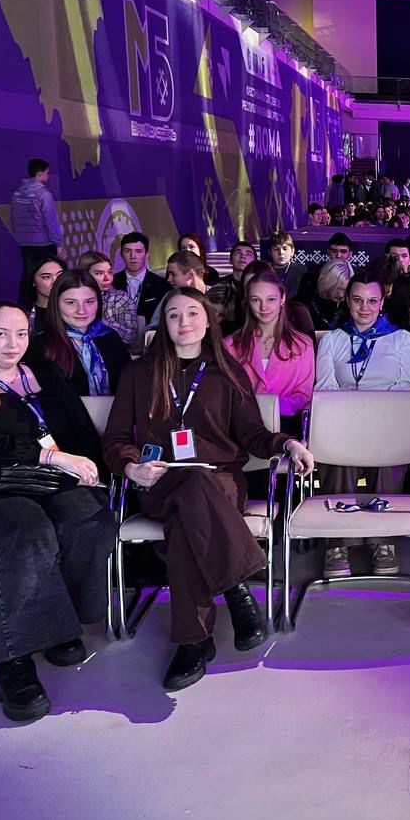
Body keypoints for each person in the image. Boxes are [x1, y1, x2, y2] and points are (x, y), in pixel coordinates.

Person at [104, 288, 313, 691]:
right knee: (192, 491)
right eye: (173, 315)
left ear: (208, 321)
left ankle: (193, 643)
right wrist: (131, 466)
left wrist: (287, 443)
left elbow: (252, 434)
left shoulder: (227, 372)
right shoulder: (139, 373)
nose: (183, 322)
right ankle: (236, 587)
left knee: (188, 519)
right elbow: (115, 438)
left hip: (219, 481)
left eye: (192, 314)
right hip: (159, 480)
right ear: (163, 324)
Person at [0, 302, 113, 722]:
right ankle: (14, 663)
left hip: (51, 483)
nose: (13, 343)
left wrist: (93, 469)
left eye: (20, 333)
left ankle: (61, 622)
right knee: (28, 535)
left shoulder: (44, 375)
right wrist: (48, 456)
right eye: (0, 333)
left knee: (91, 522)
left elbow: (79, 429)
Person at [314, 272, 410, 577]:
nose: (365, 308)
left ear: (382, 302)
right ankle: (338, 542)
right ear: (347, 301)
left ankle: (382, 540)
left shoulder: (402, 339)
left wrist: (371, 410)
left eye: (372, 301)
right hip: (343, 423)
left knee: (390, 454)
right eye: (358, 300)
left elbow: (409, 386)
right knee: (335, 453)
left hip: (387, 424)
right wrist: (352, 414)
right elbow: (325, 388)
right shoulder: (333, 340)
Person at [223, 273, 314, 430]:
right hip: (241, 426)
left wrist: (270, 406)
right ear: (248, 301)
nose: (263, 307)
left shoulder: (303, 345)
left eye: (271, 299)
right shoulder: (230, 344)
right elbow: (227, 393)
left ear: (282, 299)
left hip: (287, 426)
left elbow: (303, 396)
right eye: (256, 300)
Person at [30, 270, 130, 396]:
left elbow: (130, 386)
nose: (81, 311)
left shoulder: (110, 337)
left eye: (89, 302)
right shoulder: (43, 345)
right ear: (56, 303)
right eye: (71, 303)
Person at [12, 159, 65, 307]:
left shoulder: (17, 194)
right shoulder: (44, 195)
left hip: (25, 244)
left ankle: (25, 308)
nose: (48, 177)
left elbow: (14, 219)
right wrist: (58, 244)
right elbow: (51, 221)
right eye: (47, 173)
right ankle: (51, 307)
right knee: (49, 276)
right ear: (40, 174)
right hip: (44, 243)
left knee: (29, 276)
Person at [75, 251, 136, 347]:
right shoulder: (72, 299)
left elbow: (130, 337)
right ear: (85, 275)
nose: (107, 278)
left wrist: (101, 321)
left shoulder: (121, 299)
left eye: (110, 272)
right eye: (99, 273)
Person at [113, 232, 170, 326]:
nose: (133, 256)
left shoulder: (162, 285)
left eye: (138, 251)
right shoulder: (112, 283)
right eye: (127, 251)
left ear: (147, 255)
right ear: (121, 254)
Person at [145, 250, 209, 330]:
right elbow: (152, 329)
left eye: (173, 274)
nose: (169, 279)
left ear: (190, 275)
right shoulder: (169, 297)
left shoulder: (216, 296)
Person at [309, 259, 354, 331]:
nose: (341, 295)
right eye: (337, 288)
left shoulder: (349, 305)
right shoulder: (307, 303)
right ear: (328, 283)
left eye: (345, 290)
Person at [27, 255, 66, 332]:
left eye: (60, 275)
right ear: (33, 281)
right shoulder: (25, 315)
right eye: (46, 277)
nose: (55, 282)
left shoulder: (73, 310)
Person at [267, 232, 306, 299]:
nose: (281, 253)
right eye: (276, 249)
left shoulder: (300, 269)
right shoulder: (264, 270)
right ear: (270, 252)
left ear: (292, 251)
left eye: (285, 249)